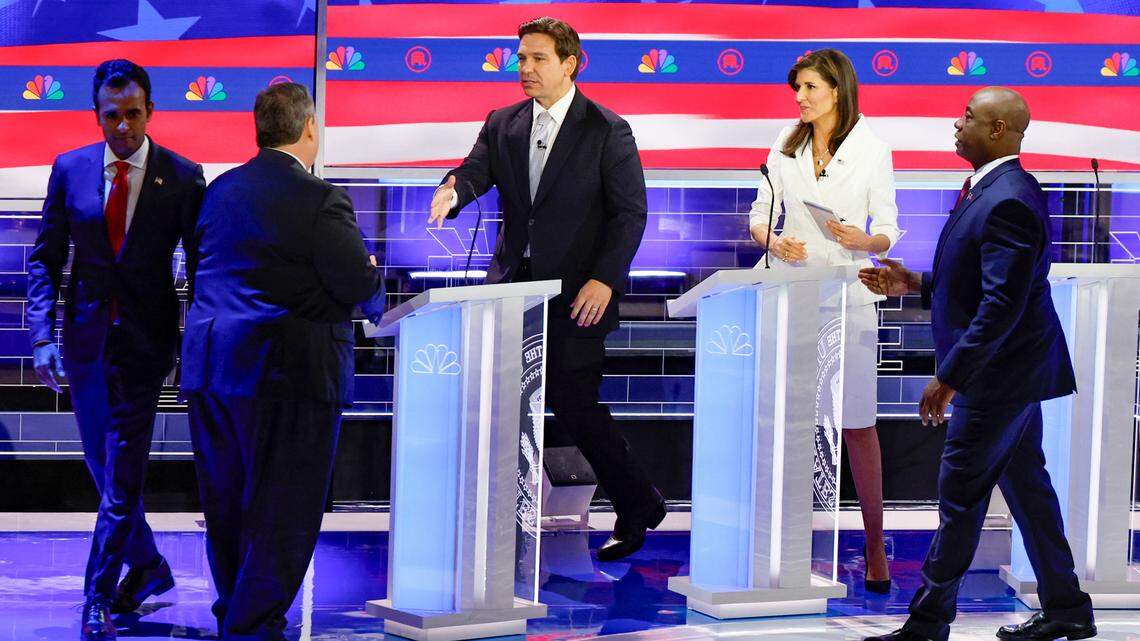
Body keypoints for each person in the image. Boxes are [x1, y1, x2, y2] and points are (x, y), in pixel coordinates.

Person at [859, 87, 1095, 641]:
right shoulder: (990, 190)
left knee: (960, 494)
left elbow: (1002, 304)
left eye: (968, 116)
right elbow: (982, 283)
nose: (956, 123)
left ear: (998, 131)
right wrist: (913, 281)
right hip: (1011, 373)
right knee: (1028, 490)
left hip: (997, 379)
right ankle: (1066, 607)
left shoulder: (1009, 196)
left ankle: (928, 621)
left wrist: (950, 376)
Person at [427, 16, 663, 562]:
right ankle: (494, 517)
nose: (525, 69)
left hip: (580, 292)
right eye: (521, 58)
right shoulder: (502, 122)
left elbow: (630, 214)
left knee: (574, 403)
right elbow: (474, 170)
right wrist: (453, 191)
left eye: (537, 59)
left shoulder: (606, 129)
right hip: (514, 289)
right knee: (498, 400)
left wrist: (606, 278)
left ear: (569, 63)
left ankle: (636, 503)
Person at [180, 82, 385, 640]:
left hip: (212, 371)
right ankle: (250, 628)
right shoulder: (322, 200)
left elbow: (207, 273)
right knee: (285, 512)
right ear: (309, 128)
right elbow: (358, 283)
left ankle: (238, 615)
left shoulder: (219, 192)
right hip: (289, 374)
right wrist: (366, 276)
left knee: (227, 506)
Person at [26, 59, 205, 639]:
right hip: (81, 343)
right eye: (112, 115)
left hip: (146, 345)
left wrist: (197, 341)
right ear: (97, 115)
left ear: (150, 111)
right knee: (104, 471)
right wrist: (42, 335)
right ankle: (150, 567)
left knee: (123, 472)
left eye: (133, 114)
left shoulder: (182, 176)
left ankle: (97, 595)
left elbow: (202, 268)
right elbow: (45, 258)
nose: (123, 126)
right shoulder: (70, 169)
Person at [748, 49, 899, 593]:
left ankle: (876, 543)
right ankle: (783, 539)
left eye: (810, 87)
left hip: (849, 297)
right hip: (793, 295)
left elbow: (887, 227)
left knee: (856, 422)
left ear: (837, 90)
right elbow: (759, 217)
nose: (801, 98)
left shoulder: (872, 148)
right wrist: (774, 240)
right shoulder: (785, 145)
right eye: (798, 88)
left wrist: (867, 241)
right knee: (788, 421)